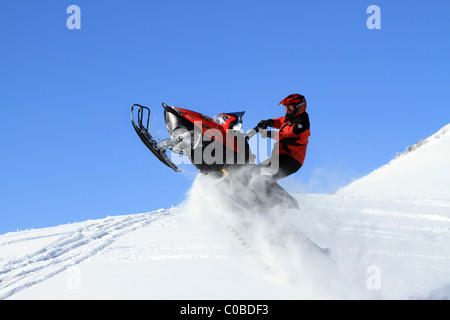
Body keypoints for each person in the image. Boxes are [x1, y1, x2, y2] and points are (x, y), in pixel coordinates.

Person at [256, 93, 310, 181]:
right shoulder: (292, 118)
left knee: (265, 175)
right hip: (281, 156)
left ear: (300, 107)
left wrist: (269, 134)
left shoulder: (302, 124)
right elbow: (281, 121)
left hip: (292, 159)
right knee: (255, 171)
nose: (287, 110)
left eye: (290, 108)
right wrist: (269, 122)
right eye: (286, 108)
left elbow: (288, 136)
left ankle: (270, 193)